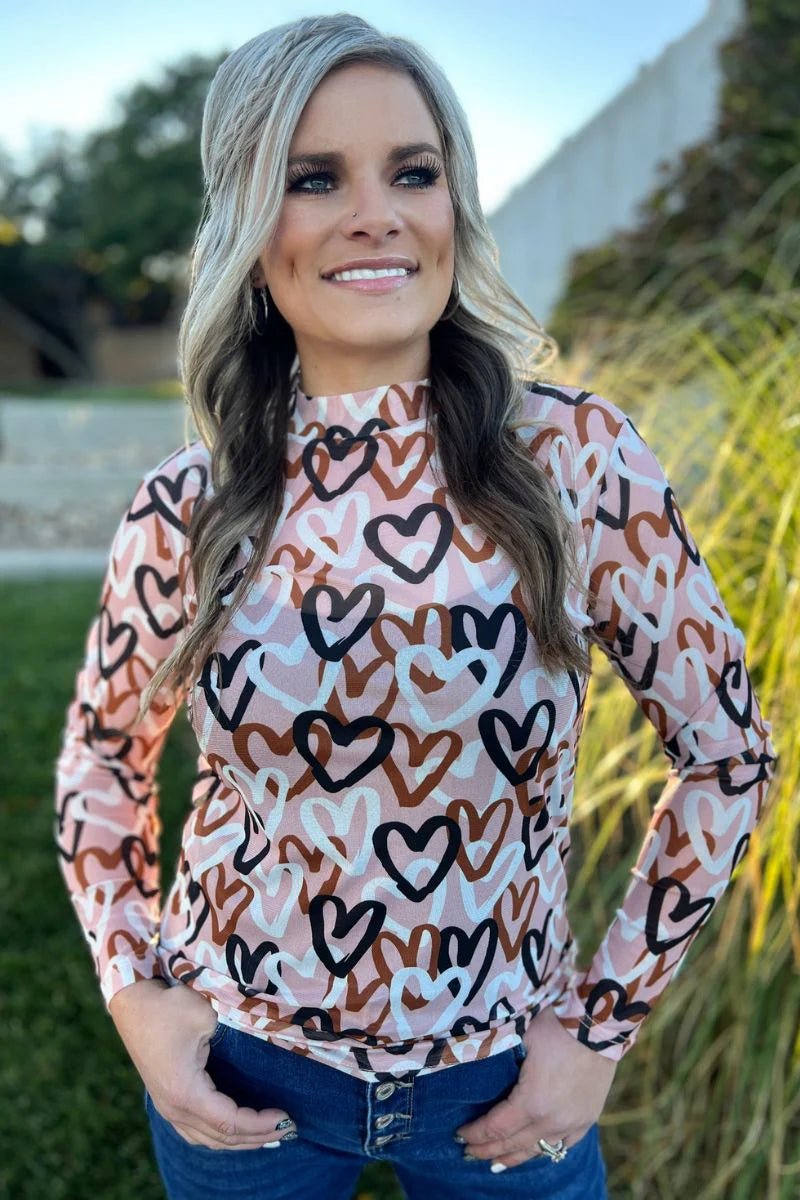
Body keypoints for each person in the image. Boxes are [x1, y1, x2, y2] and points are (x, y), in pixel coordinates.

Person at [53, 12, 778, 1200]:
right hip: (241, 1075)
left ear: (453, 201)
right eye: (312, 178)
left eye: (412, 172)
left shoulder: (575, 457)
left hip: (502, 1087)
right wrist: (135, 989)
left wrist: (597, 1029)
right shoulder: (188, 500)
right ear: (248, 220)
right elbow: (100, 757)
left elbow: (726, 756)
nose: (375, 214)